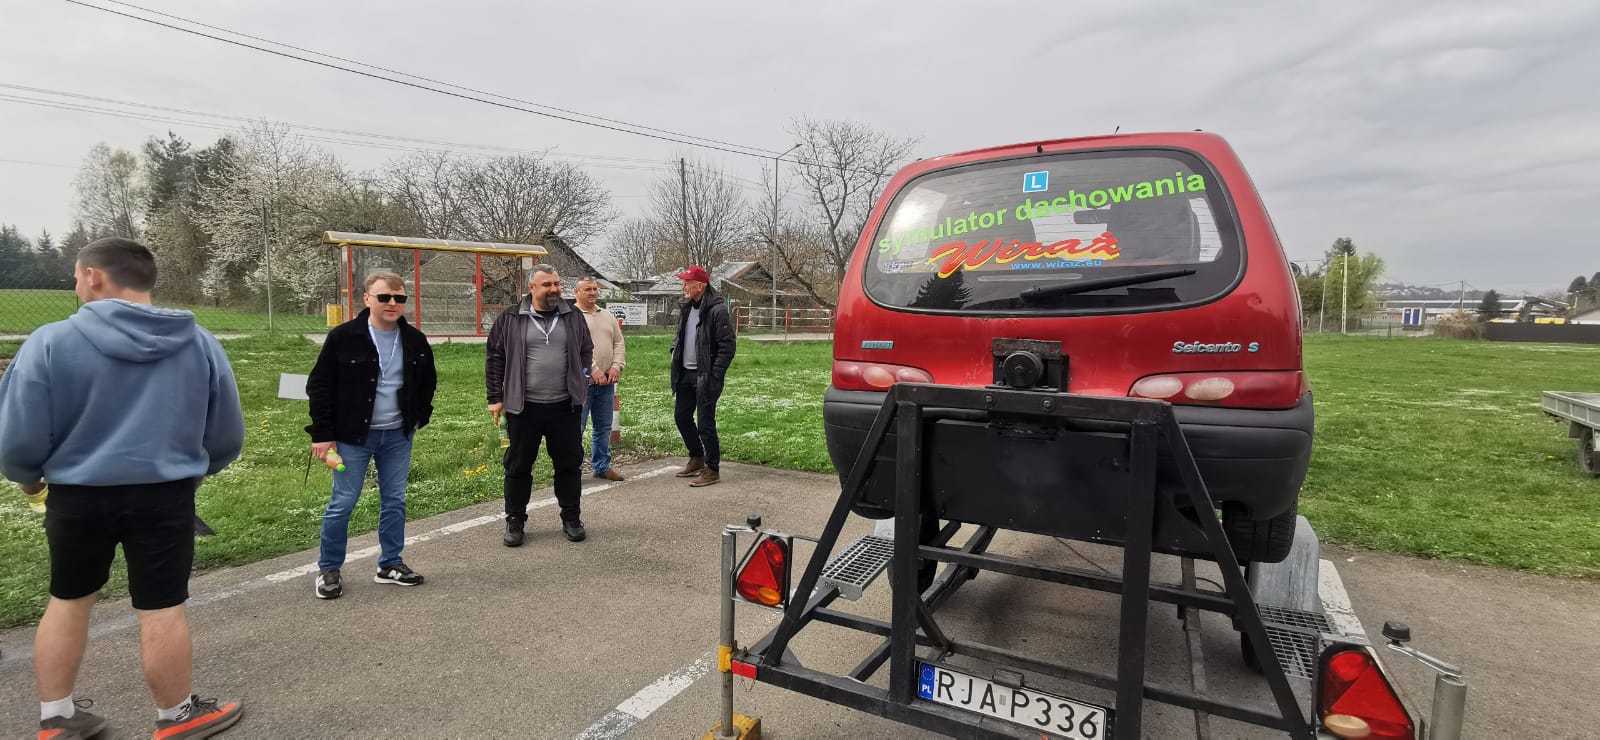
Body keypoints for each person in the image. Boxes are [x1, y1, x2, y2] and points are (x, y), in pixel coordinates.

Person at [0, 237, 245, 739]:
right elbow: (226, 435)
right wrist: (195, 470)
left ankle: (57, 717)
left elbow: (17, 438)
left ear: (93, 275)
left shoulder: (49, 342)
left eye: (75, 276)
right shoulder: (199, 342)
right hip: (165, 494)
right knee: (161, 605)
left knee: (69, 598)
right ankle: (176, 715)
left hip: (77, 496)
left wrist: (28, 479)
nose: (75, 284)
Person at [305, 272, 437, 600]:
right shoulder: (343, 337)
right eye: (384, 297)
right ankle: (329, 568)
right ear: (366, 299)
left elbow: (428, 382)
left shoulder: (415, 340)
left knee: (395, 500)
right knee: (343, 501)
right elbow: (319, 386)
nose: (392, 303)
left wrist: (418, 417)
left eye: (399, 298)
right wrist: (322, 435)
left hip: (397, 437)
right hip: (351, 438)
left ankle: (390, 564)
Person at [485, 265, 594, 546]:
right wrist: (495, 397)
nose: (554, 289)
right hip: (524, 408)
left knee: (569, 465)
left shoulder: (572, 316)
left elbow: (586, 349)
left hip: (565, 406)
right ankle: (515, 521)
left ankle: (571, 518)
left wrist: (581, 378)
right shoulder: (511, 318)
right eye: (547, 285)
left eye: (556, 284)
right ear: (531, 288)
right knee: (518, 467)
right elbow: (495, 356)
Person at [670, 265, 737, 487]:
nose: (684, 287)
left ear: (700, 286)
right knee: (681, 417)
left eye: (687, 283)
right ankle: (697, 457)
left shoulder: (717, 310)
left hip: (705, 376)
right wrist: (675, 350)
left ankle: (712, 469)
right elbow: (681, 336)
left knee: (705, 423)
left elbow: (727, 346)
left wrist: (715, 374)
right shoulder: (686, 308)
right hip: (685, 374)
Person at [574, 276, 627, 482]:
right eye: (587, 289)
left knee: (603, 427)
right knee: (576, 428)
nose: (593, 292)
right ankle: (572, 469)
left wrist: (616, 366)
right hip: (581, 383)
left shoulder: (607, 315)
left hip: (606, 383)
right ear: (577, 292)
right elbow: (574, 347)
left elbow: (619, 342)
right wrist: (592, 369)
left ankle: (602, 466)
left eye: (595, 289)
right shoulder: (571, 316)